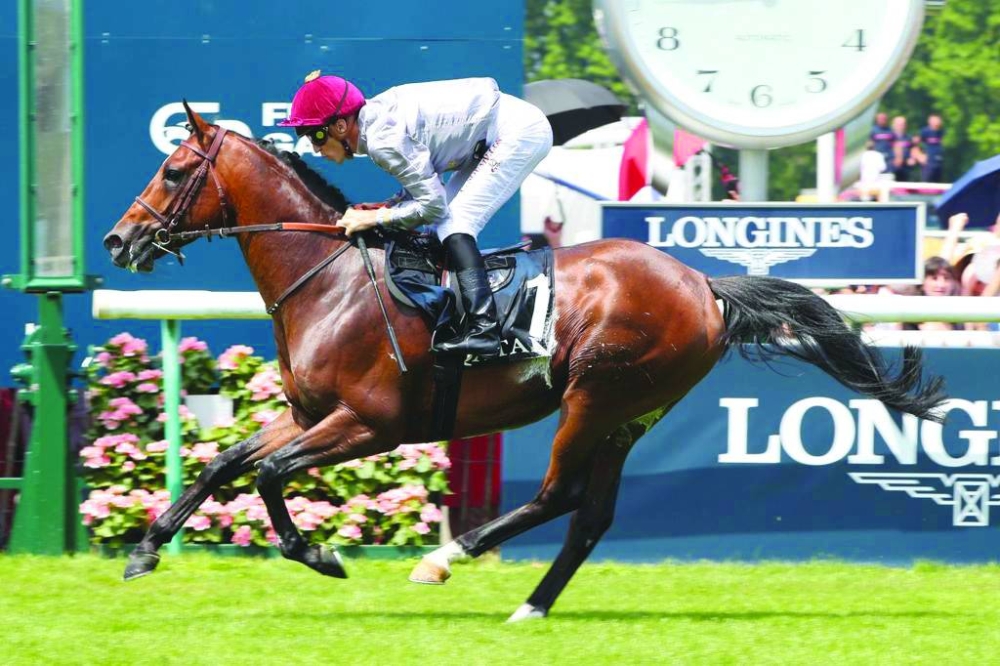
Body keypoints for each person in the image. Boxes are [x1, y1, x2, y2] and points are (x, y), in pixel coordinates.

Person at [279, 71, 553, 358]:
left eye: (316, 134)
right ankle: (459, 319)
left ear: (339, 125)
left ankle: (484, 329)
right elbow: (422, 187)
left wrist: (374, 219)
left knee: (455, 223)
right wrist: (386, 207)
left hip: (517, 132)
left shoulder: (381, 140)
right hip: (490, 135)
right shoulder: (376, 127)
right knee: (440, 228)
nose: (314, 147)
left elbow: (433, 205)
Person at [920, 114, 945, 182]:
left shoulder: (941, 132)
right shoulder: (925, 132)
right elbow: (916, 144)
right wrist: (920, 156)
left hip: (939, 162)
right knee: (927, 182)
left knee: (938, 183)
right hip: (928, 163)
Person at [890, 116, 912, 182]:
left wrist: (912, 158)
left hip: (906, 168)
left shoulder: (909, 137)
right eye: (898, 124)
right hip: (891, 167)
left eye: (902, 124)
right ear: (893, 125)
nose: (901, 126)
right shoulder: (888, 137)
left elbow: (913, 149)